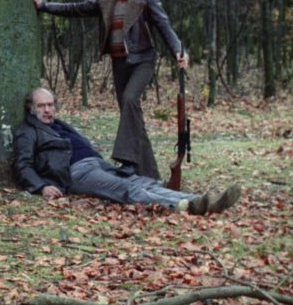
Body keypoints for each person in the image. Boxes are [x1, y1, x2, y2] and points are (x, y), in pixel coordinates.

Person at [32, 0, 187, 180]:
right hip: (119, 62)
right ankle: (150, 176)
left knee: (130, 100)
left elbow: (164, 26)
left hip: (142, 60)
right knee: (131, 116)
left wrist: (179, 50)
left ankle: (127, 160)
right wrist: (44, 5)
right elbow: (76, 8)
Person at [12, 87, 240, 214]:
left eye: (50, 104)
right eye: (41, 106)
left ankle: (203, 201)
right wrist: (41, 187)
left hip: (98, 165)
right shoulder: (28, 131)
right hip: (76, 172)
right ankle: (183, 206)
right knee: (126, 189)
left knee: (144, 182)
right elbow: (23, 165)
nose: (48, 110)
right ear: (31, 109)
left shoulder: (59, 125)